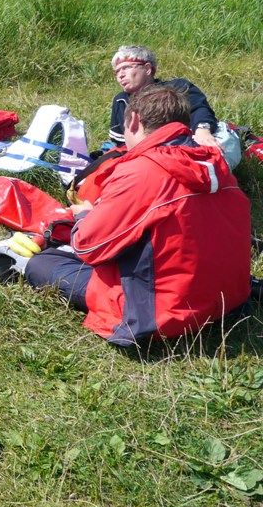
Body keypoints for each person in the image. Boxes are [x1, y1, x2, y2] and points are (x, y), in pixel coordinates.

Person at [24, 84, 250, 346]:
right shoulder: (217, 165)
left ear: (133, 121)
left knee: (43, 263)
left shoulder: (142, 170)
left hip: (164, 313)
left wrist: (86, 215)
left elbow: (89, 247)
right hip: (227, 298)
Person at [109, 45, 218, 148]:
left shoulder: (177, 87)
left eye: (126, 68)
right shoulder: (121, 101)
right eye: (117, 71)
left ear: (147, 69)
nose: (120, 75)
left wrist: (202, 130)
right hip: (143, 156)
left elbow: (199, 109)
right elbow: (120, 142)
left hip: (182, 145)